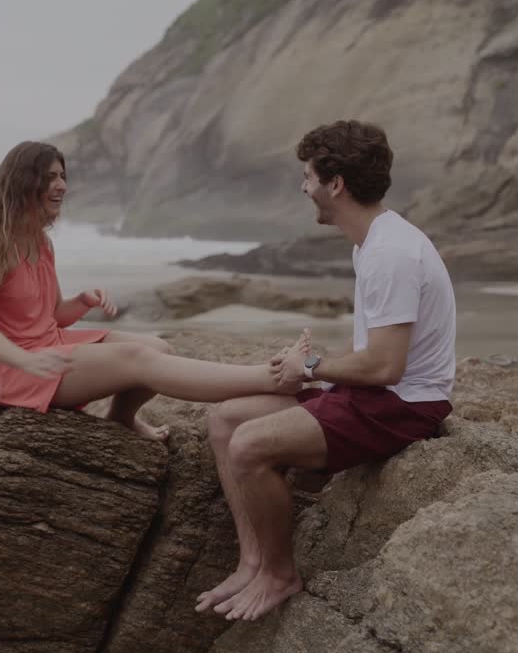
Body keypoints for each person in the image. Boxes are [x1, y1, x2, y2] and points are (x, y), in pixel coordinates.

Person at [195, 120, 457, 622]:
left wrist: (310, 366)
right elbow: (378, 352)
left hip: (406, 404)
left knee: (250, 445)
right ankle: (252, 560)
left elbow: (386, 365)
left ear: (335, 184)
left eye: (309, 177)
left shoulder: (391, 253)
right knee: (225, 419)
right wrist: (312, 367)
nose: (303, 187)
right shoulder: (372, 243)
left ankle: (279, 573)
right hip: (376, 395)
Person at [0, 140, 304, 442]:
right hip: (19, 372)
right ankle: (267, 378)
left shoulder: (40, 242)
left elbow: (53, 314)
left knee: (158, 347)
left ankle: (120, 419)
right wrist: (23, 359)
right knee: (139, 360)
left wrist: (83, 301)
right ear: (26, 182)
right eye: (50, 177)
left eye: (62, 176)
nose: (62, 186)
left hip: (48, 347)